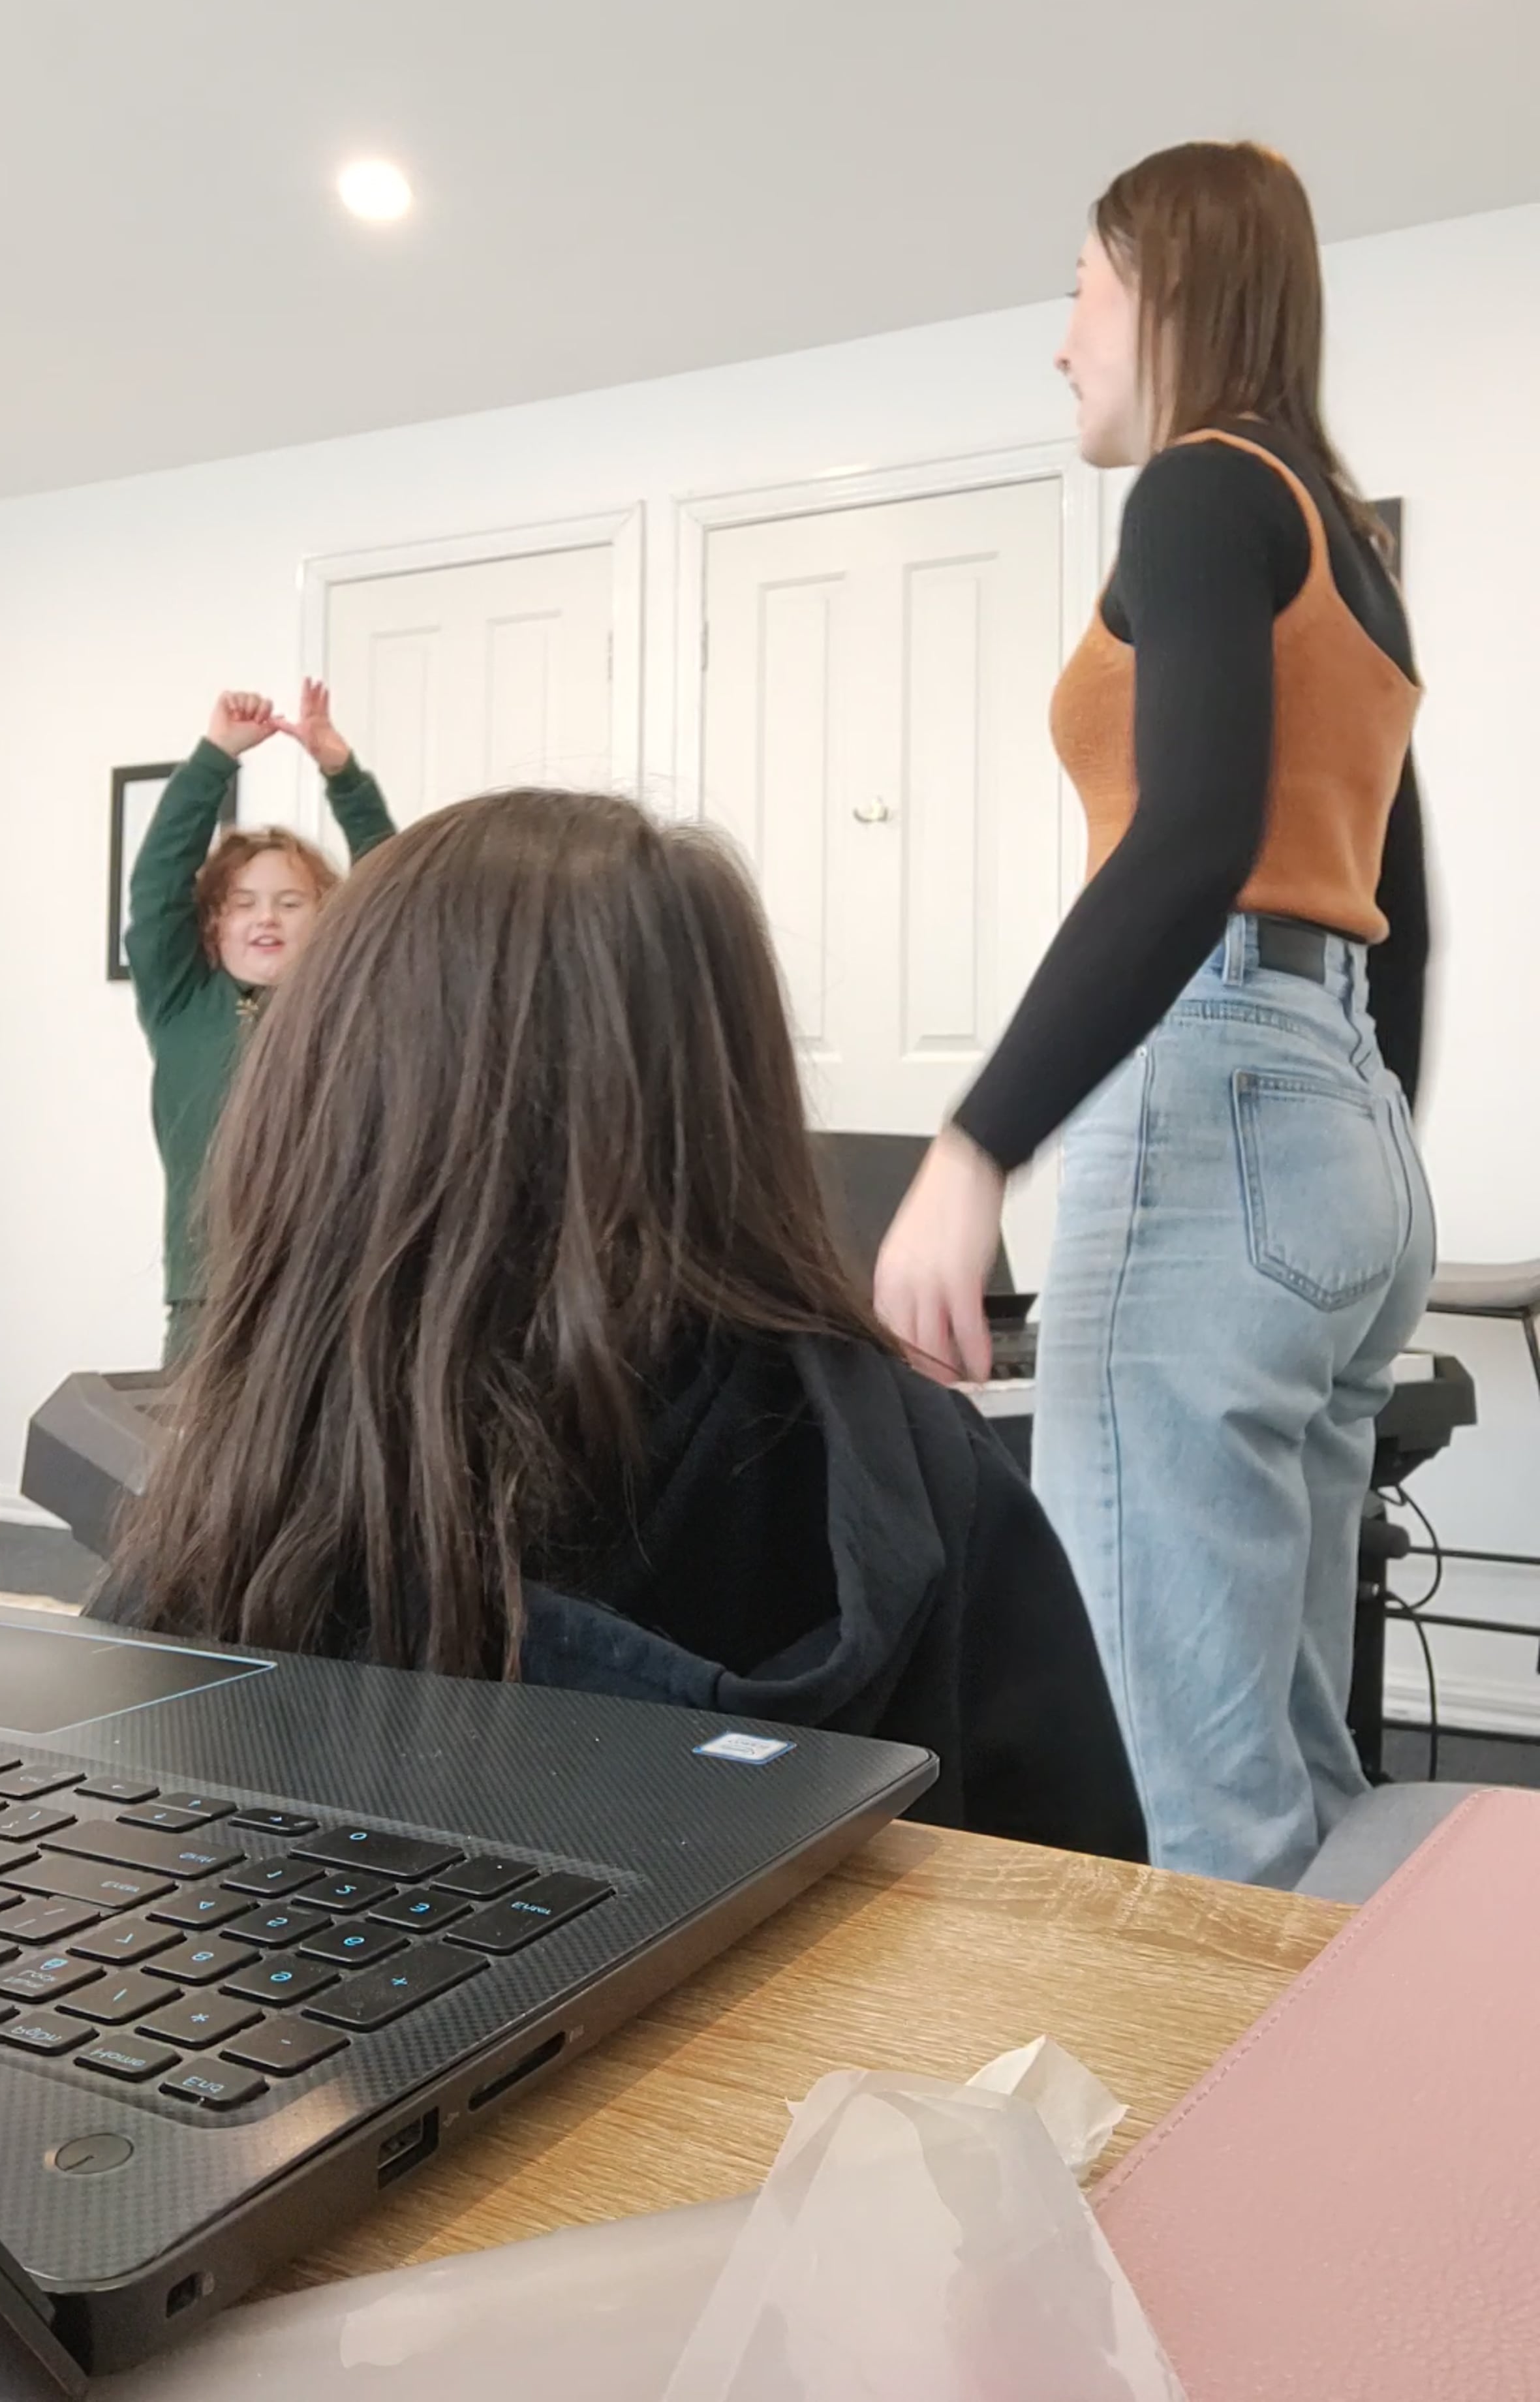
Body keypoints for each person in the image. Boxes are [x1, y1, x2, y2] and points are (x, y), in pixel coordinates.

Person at [99, 788, 1145, 1862]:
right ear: (733, 1098)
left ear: (326, 1109)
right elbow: (1091, 1900)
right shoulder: (927, 1475)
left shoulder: (266, 1479)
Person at [874, 140, 1435, 1890]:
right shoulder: (1341, 536)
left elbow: (1190, 839)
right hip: (1344, 1132)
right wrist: (1357, 1141)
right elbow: (1402, 901)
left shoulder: (1198, 491)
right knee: (1291, 1750)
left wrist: (973, 1147)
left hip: (1219, 1106)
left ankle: (1222, 2082)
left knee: (1178, 1782)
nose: (1061, 339)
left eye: (1081, 288)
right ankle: (1342, 2057)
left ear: (1168, 288)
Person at [125, 679, 393, 1359]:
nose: (266, 917)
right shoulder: (182, 1003)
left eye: (290, 903)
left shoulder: (349, 1005)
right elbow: (157, 885)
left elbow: (394, 899)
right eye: (243, 903)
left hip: (331, 1298)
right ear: (214, 925)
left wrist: (343, 775)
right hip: (208, 1299)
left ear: (328, 918)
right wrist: (215, 758)